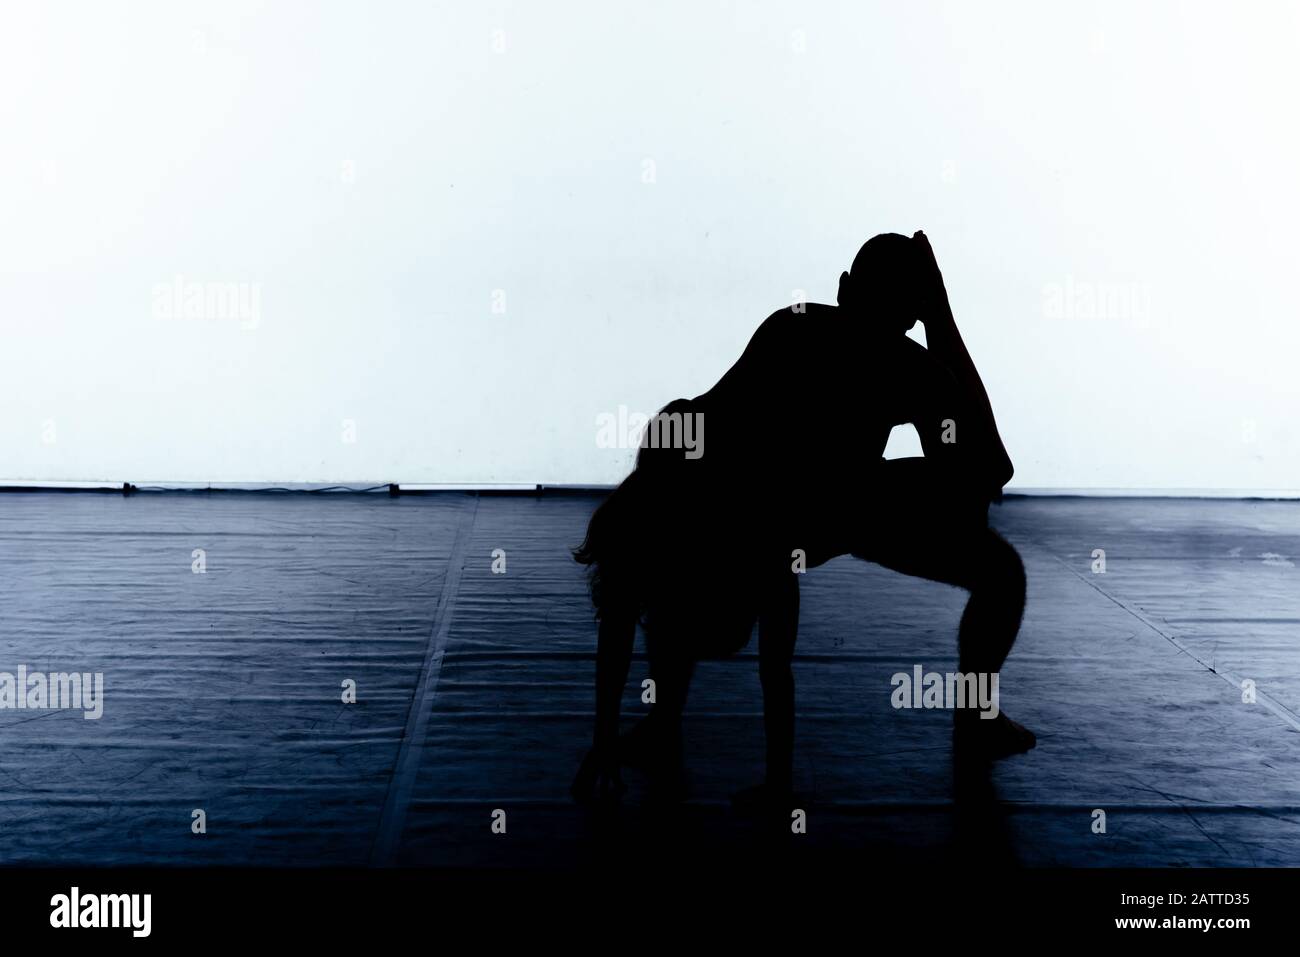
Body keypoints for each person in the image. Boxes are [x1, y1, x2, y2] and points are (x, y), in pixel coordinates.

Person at [571, 231, 1034, 806]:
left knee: (996, 567)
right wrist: (940, 322)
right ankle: (665, 719)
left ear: (846, 290)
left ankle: (666, 719)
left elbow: (986, 471)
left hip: (834, 503)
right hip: (804, 506)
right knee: (999, 570)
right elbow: (988, 470)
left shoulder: (820, 339)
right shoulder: (867, 353)